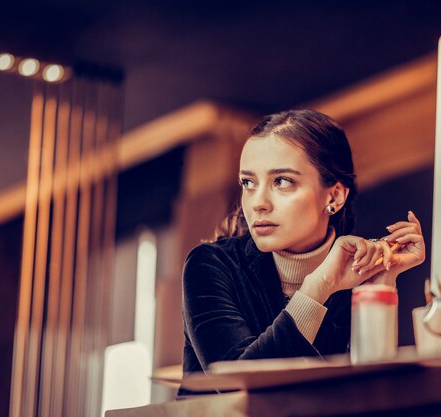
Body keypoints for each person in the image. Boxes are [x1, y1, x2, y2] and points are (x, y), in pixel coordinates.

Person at [181, 109, 425, 380]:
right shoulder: (210, 265)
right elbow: (236, 384)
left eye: (282, 181)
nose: (258, 202)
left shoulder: (355, 274)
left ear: (334, 196)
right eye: (248, 182)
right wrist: (317, 287)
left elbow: (369, 391)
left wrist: (379, 286)